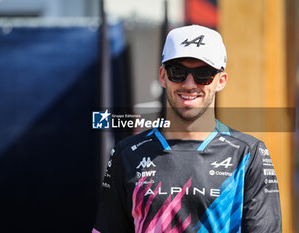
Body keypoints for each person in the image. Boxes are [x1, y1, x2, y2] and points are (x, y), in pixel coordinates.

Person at [92, 25, 282, 233]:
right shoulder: (126, 153)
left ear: (221, 81)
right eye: (178, 72)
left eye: (203, 74)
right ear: (163, 76)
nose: (190, 84)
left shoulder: (248, 154)